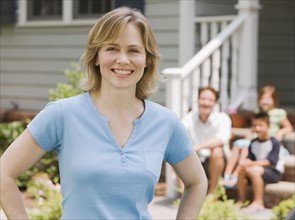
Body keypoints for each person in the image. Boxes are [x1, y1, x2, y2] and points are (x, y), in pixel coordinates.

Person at [0, 7, 208, 219]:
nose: (123, 60)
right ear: (96, 57)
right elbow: (3, 174)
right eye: (112, 49)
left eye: (134, 50)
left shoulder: (165, 122)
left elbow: (197, 182)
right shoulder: (63, 115)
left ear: (147, 60)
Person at [222, 85, 293, 188]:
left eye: (268, 99)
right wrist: (248, 135)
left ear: (274, 100)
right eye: (262, 98)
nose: (265, 101)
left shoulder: (279, 113)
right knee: (237, 145)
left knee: (246, 149)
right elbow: (252, 128)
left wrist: (280, 133)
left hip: (268, 142)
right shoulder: (257, 112)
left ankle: (236, 174)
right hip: (255, 140)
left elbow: (288, 127)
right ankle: (227, 174)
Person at [181, 86, 232, 195]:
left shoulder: (223, 118)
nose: (206, 103)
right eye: (203, 99)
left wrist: (197, 147)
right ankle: (183, 195)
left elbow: (221, 140)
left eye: (210, 100)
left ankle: (212, 194)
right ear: (198, 100)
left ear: (215, 103)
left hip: (217, 161)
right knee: (177, 152)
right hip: (195, 159)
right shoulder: (189, 118)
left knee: (217, 151)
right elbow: (178, 135)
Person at [237, 112, 284, 213]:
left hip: (273, 172)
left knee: (254, 170)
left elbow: (270, 162)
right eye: (254, 125)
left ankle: (258, 202)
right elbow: (250, 158)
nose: (257, 128)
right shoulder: (253, 143)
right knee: (241, 170)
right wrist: (245, 163)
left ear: (268, 126)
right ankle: (242, 199)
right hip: (257, 170)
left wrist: (251, 164)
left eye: (260, 125)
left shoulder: (274, 143)